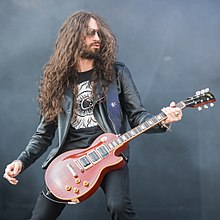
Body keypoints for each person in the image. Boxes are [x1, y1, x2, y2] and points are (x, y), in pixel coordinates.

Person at [3, 11, 182, 220]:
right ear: (74, 38)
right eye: (89, 33)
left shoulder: (116, 73)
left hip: (110, 152)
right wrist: (21, 161)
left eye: (98, 33)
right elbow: (43, 134)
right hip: (70, 162)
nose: (97, 38)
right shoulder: (59, 82)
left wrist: (164, 120)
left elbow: (137, 115)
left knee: (119, 207)